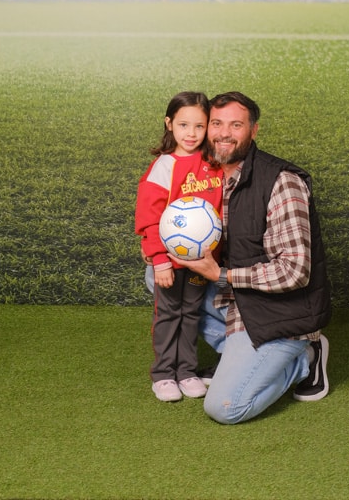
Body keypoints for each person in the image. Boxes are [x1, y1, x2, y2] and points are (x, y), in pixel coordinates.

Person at [171, 91, 332, 424]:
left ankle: (304, 358)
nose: (224, 133)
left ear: (253, 130)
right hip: (235, 299)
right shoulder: (204, 176)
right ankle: (233, 353)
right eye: (217, 123)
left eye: (236, 125)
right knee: (164, 275)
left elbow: (295, 271)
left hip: (279, 312)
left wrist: (222, 275)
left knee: (224, 408)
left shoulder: (281, 182)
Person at [135, 91, 223, 403]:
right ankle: (163, 375)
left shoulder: (213, 163)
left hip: (201, 261)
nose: (191, 133)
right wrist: (159, 259)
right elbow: (149, 217)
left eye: (200, 126)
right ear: (169, 123)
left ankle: (187, 372)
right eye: (184, 125)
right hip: (170, 262)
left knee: (191, 313)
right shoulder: (164, 166)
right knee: (169, 313)